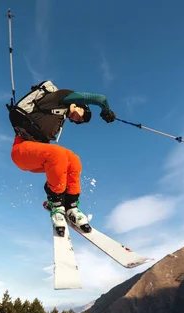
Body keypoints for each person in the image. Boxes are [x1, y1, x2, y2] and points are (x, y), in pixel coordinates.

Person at [9, 85, 116, 236]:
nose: (78, 120)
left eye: (80, 122)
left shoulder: (60, 115)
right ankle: (56, 203)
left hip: (37, 155)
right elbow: (100, 99)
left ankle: (71, 205)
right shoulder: (61, 97)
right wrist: (106, 111)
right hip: (21, 149)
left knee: (73, 159)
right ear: (78, 105)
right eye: (81, 116)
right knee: (57, 153)